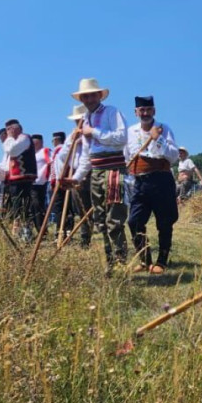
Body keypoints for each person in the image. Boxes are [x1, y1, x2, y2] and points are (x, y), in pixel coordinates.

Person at [64, 78, 129, 273]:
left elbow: (121, 138)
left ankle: (120, 260)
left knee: (114, 217)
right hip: (96, 171)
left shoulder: (111, 112)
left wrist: (94, 131)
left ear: (99, 95)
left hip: (113, 168)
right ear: (81, 99)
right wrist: (76, 177)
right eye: (85, 96)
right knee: (99, 218)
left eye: (92, 95)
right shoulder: (84, 120)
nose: (89, 99)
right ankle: (106, 261)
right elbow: (86, 154)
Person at [125, 95, 180, 274]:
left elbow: (173, 156)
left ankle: (161, 261)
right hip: (140, 182)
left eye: (148, 109)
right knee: (134, 221)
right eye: (142, 110)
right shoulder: (130, 132)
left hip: (161, 179)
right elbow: (127, 157)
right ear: (136, 112)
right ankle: (145, 259)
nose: (145, 113)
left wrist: (158, 139)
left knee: (164, 222)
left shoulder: (164, 129)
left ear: (154, 111)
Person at [0, 119, 39, 241]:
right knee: (16, 207)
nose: (7, 133)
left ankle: (26, 234)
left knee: (24, 206)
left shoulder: (24, 138)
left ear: (16, 129)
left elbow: (11, 150)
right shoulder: (13, 141)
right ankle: (19, 233)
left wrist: (9, 138)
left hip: (24, 178)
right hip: (14, 180)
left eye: (9, 129)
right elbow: (7, 165)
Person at [51, 108, 92, 247]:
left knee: (96, 208)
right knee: (81, 209)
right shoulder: (72, 135)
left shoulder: (92, 131)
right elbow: (62, 156)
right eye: (76, 119)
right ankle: (85, 239)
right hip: (76, 175)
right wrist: (73, 142)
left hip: (92, 173)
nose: (78, 121)